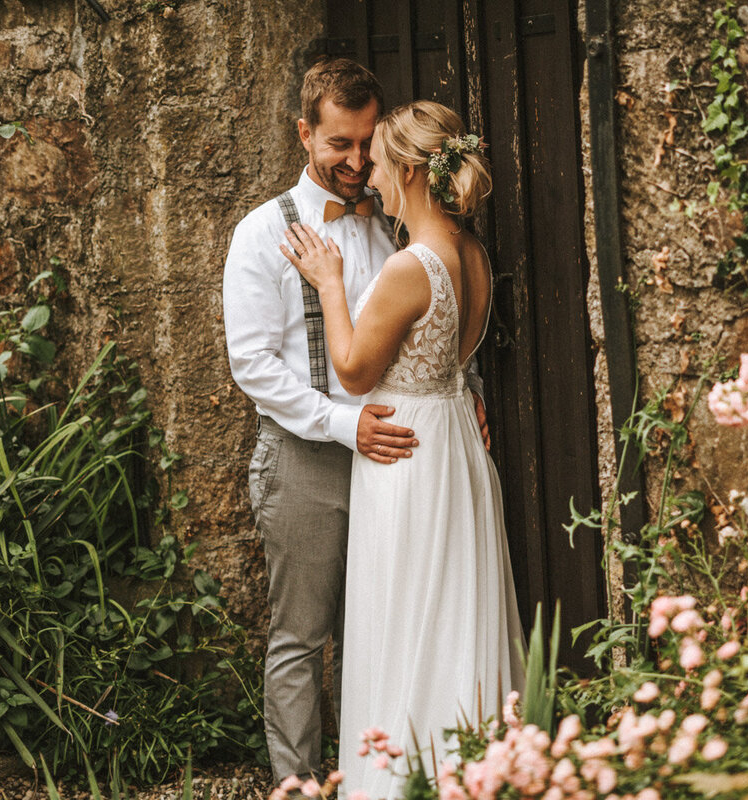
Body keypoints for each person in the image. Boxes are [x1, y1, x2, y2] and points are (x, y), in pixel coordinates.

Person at [223, 58, 490, 783]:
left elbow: (426, 329)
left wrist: (462, 396)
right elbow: (253, 366)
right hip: (310, 458)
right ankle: (299, 785)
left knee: (382, 624)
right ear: (303, 133)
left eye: (367, 143)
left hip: (400, 460)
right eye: (339, 143)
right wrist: (346, 427)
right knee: (301, 637)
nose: (356, 160)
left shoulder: (394, 230)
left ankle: (377, 777)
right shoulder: (260, 233)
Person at [279, 100, 526, 799]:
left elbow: (355, 370)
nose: (372, 177)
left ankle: (402, 779)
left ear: (413, 170)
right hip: (454, 443)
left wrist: (330, 285)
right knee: (450, 607)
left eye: (383, 164)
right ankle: (470, 769)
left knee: (404, 614)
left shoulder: (412, 264)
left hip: (406, 453)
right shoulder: (472, 252)